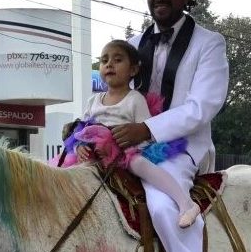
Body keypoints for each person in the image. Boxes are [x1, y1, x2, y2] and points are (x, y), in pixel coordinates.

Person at [112, 0, 230, 252]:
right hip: (131, 143)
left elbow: (202, 106)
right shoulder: (131, 45)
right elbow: (114, 92)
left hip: (182, 148)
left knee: (164, 208)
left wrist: (148, 128)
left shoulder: (209, 44)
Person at [72, 39, 201, 228]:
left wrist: (124, 147)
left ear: (133, 70)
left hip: (125, 153)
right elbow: (82, 129)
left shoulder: (134, 99)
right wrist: (80, 146)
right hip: (96, 154)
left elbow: (146, 132)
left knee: (139, 164)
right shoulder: (93, 101)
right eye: (104, 60)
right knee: (72, 173)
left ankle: (185, 203)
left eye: (117, 60)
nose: (109, 64)